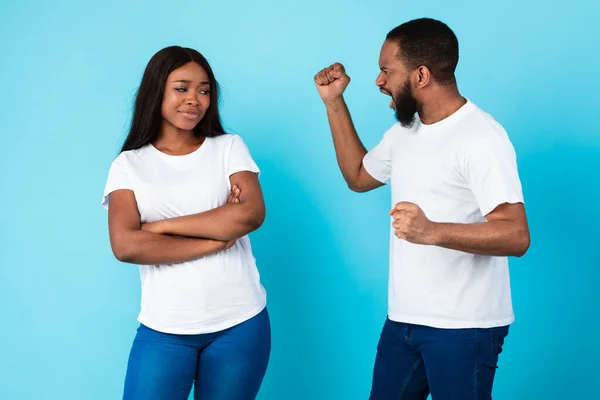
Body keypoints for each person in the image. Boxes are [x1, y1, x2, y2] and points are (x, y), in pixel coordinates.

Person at [314, 18, 530, 399]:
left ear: (422, 75)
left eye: (386, 70)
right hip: (405, 321)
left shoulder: (481, 136)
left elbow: (515, 234)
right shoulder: (405, 132)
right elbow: (358, 176)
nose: (379, 81)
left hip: (466, 327)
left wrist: (432, 231)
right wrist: (334, 102)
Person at [101, 46, 270, 400]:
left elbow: (250, 214)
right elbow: (126, 245)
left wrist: (158, 228)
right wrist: (214, 238)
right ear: (156, 91)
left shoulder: (228, 148)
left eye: (204, 90)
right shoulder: (128, 166)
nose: (194, 99)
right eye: (182, 88)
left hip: (240, 323)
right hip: (165, 328)